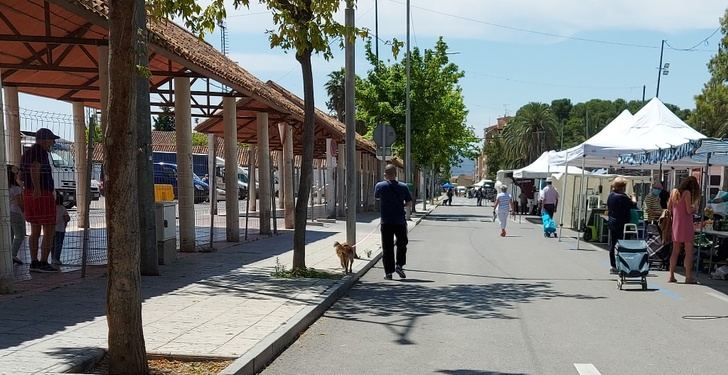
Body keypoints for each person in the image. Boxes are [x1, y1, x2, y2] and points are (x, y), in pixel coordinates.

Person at [21, 127, 60, 273]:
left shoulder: (27, 153)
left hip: (29, 193)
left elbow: (19, 175)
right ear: (43, 140)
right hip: (41, 193)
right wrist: (37, 187)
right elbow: (35, 167)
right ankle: (43, 262)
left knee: (35, 228)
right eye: (51, 140)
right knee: (49, 228)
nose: (52, 142)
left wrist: (29, 187)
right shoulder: (40, 152)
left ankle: (34, 261)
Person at [375, 164, 413, 280]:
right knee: (402, 244)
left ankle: (388, 272)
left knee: (387, 247)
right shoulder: (403, 186)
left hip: (386, 221)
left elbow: (377, 198)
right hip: (400, 221)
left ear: (385, 174)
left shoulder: (380, 186)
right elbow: (409, 203)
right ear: (396, 174)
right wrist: (401, 205)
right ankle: (399, 265)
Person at [668, 176, 701, 284]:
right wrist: (695, 207)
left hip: (676, 224)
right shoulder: (687, 193)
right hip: (686, 224)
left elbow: (669, 208)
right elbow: (688, 210)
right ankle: (688, 277)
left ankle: (671, 275)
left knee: (675, 251)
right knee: (688, 252)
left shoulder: (674, 192)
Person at [606, 176, 637, 274]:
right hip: (622, 223)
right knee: (625, 244)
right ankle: (624, 264)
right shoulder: (623, 197)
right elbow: (633, 205)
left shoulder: (611, 195)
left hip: (612, 222)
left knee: (612, 244)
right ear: (622, 187)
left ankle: (613, 265)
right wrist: (633, 197)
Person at [8, 165, 26, 265]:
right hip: (16, 213)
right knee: (20, 234)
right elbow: (20, 202)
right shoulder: (16, 189)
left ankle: (7, 254)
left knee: (10, 235)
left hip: (7, 213)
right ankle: (13, 254)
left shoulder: (5, 188)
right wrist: (24, 211)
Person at [52, 192, 71, 267]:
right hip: (60, 229)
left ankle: (53, 257)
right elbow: (66, 218)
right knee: (58, 244)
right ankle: (56, 258)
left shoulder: (52, 208)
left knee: (52, 244)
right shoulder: (63, 208)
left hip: (52, 229)